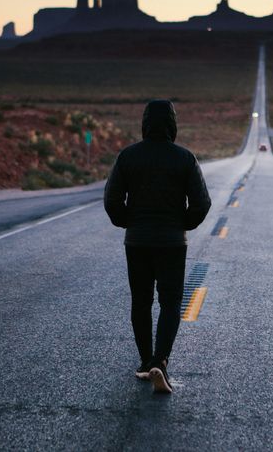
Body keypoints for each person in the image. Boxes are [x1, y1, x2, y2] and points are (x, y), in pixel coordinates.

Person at [104, 100, 211, 394]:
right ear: (172, 124)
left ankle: (144, 362)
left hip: (137, 241)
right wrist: (183, 224)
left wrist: (130, 222)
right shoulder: (184, 158)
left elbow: (112, 201)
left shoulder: (127, 156)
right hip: (172, 243)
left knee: (141, 301)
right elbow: (202, 203)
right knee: (170, 302)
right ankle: (160, 362)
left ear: (145, 123)